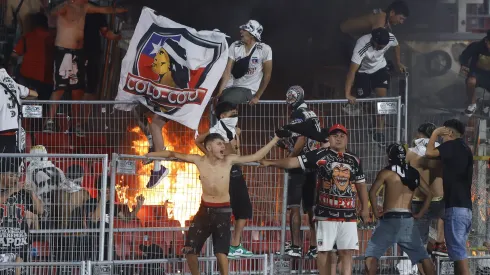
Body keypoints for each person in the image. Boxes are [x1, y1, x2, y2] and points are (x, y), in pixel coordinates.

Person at [147, 134, 280, 275]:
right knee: (190, 249)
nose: (223, 146)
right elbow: (171, 153)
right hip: (204, 210)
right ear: (209, 147)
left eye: (223, 144)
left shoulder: (229, 160)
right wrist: (148, 155)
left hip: (223, 211)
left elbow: (255, 157)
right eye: (219, 144)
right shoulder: (198, 160)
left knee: (220, 252)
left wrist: (275, 139)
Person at [261, 124, 370, 275]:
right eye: (334, 136)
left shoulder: (354, 160)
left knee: (347, 253)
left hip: (348, 216)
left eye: (341, 136)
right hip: (326, 214)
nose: (338, 139)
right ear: (329, 139)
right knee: (324, 252)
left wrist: (365, 208)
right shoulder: (319, 154)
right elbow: (293, 162)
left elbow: (361, 185)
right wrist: (270, 162)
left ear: (347, 139)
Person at [43, 0, 127, 137]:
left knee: (78, 90)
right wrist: (60, 6)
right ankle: (50, 121)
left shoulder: (85, 7)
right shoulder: (66, 6)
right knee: (59, 88)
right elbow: (51, 13)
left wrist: (119, 10)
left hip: (79, 53)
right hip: (64, 52)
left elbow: (104, 10)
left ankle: (76, 124)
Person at [195, 101, 254, 259]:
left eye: (236, 112)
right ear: (222, 116)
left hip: (236, 172)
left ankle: (234, 245)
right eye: (232, 113)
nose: (235, 115)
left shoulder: (232, 130)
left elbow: (237, 154)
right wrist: (211, 157)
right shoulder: (216, 130)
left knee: (243, 211)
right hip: (228, 175)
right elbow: (197, 140)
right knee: (232, 212)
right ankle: (230, 247)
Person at [365, 143, 435, 275]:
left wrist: (375, 212)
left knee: (371, 256)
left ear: (389, 156)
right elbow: (430, 194)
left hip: (389, 220)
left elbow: (372, 192)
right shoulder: (414, 173)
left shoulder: (386, 172)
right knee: (423, 256)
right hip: (408, 221)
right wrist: (420, 213)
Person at [274, 86, 320, 258]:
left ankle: (296, 246)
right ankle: (315, 246)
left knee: (294, 207)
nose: (289, 101)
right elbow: (309, 139)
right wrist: (286, 146)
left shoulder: (297, 115)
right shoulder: (312, 114)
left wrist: (289, 159)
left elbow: (301, 140)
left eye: (291, 98)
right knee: (311, 208)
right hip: (313, 163)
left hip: (299, 165)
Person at [425, 119, 473, 275]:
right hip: (465, 209)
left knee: (459, 254)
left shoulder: (451, 145)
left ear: (450, 133)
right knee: (456, 254)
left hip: (456, 209)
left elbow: (429, 153)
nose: (441, 138)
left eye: (443, 134)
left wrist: (434, 133)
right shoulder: (465, 148)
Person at [344, 27, 399, 147]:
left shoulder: (390, 37)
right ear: (373, 41)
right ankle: (373, 119)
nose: (380, 49)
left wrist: (399, 64)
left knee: (382, 99)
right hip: (363, 72)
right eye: (378, 46)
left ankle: (379, 132)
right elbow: (352, 71)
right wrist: (347, 94)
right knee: (365, 101)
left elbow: (396, 45)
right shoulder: (362, 45)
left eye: (383, 47)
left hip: (380, 69)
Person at [406, 123, 447, 258]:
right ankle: (439, 243)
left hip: (419, 201)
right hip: (439, 199)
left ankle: (415, 267)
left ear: (419, 133)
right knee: (445, 216)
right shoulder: (441, 151)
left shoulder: (411, 152)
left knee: (419, 241)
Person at [0, 157, 44, 275]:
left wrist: (32, 193)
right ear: (2, 175)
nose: (15, 179)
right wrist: (11, 191)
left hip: (20, 245)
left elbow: (39, 210)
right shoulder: (12, 190)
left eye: (16, 176)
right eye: (11, 175)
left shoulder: (21, 192)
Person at [215, 20, 272, 106]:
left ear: (252, 34)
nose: (241, 31)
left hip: (248, 89)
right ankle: (228, 118)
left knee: (226, 100)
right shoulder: (235, 45)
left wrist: (257, 96)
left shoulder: (265, 49)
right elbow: (227, 72)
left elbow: (267, 75)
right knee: (219, 100)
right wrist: (219, 92)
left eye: (244, 30)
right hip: (232, 87)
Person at [10, 12, 55, 101]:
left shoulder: (27, 36)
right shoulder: (52, 37)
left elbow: (14, 55)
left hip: (27, 76)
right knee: (45, 101)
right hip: (47, 78)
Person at [83, 1, 121, 100]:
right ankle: (76, 111)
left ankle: (84, 113)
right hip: (78, 50)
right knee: (80, 84)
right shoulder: (71, 7)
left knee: (91, 85)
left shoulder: (97, 10)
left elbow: (106, 32)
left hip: (90, 50)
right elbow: (106, 32)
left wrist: (118, 36)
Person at [0, 67, 37, 153]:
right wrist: (20, 100)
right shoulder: (14, 85)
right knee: (8, 161)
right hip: (12, 129)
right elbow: (34, 94)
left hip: (2, 128)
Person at [459, 30, 490, 116]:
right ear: (486, 41)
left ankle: (486, 105)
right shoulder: (476, 46)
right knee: (471, 81)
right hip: (477, 74)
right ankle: (472, 105)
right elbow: (463, 57)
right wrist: (464, 65)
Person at [340, 0, 410, 38]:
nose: (401, 22)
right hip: (341, 32)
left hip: (347, 35)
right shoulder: (381, 17)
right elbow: (377, 39)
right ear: (392, 12)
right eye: (401, 18)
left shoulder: (383, 17)